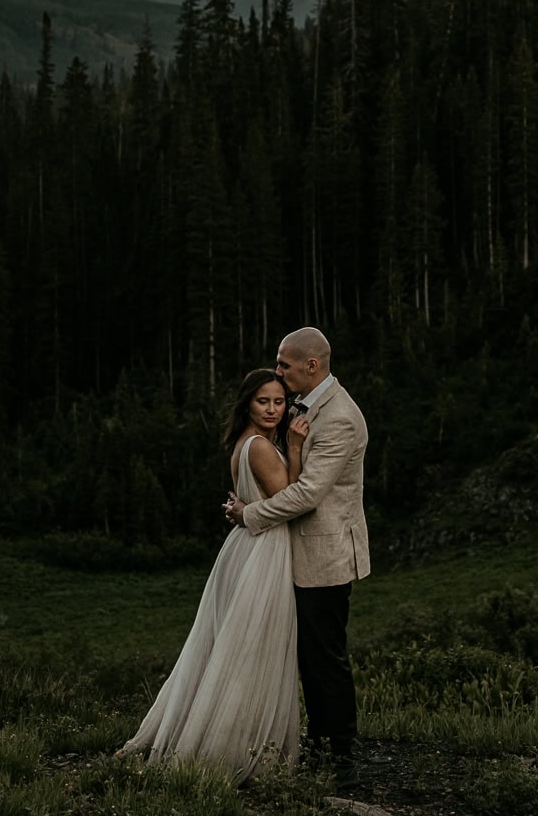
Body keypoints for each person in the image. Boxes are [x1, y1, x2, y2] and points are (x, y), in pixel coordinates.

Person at [118, 368, 304, 781]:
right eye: (263, 401)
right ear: (247, 405)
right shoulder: (260, 447)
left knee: (234, 646)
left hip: (244, 548)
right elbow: (291, 497)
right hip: (264, 550)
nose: (274, 409)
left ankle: (232, 737)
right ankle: (232, 749)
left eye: (279, 401)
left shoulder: (243, 443)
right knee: (253, 649)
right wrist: (294, 447)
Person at [224, 326, 370, 783]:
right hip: (298, 553)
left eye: (285, 364)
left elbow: (306, 494)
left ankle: (341, 754)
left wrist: (250, 514)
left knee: (325, 655)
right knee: (308, 654)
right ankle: (321, 741)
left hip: (325, 555)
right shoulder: (304, 408)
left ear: (312, 365)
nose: (278, 370)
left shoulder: (340, 417)